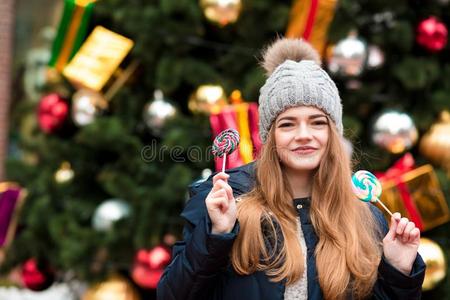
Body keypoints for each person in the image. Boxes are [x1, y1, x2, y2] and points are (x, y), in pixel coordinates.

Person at [157, 38, 425, 300]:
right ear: (270, 135)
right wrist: (215, 235)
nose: (304, 134)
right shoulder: (226, 200)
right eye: (287, 124)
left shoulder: (362, 213)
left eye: (317, 122)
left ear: (333, 133)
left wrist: (398, 271)